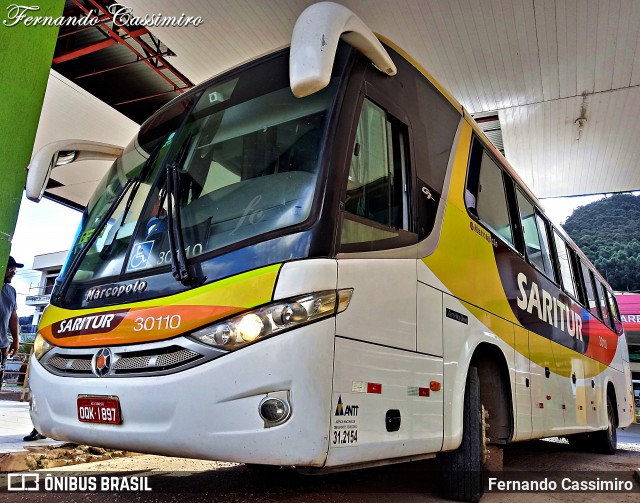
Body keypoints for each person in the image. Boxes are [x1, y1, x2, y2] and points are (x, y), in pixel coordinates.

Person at [1, 255, 21, 390]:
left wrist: (15, 340)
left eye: (14, 269)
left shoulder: (11, 291)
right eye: (10, 268)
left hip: (2, 345)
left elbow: (13, 316)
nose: (13, 272)